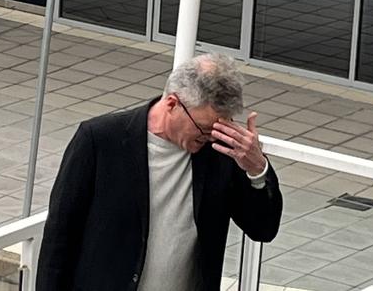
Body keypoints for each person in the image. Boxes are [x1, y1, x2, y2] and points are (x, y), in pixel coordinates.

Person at [36, 53, 283, 291]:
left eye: (222, 126)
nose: (210, 137)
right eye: (205, 128)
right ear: (173, 104)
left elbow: (263, 228)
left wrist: (257, 169)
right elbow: (60, 237)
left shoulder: (221, 151)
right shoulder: (100, 141)